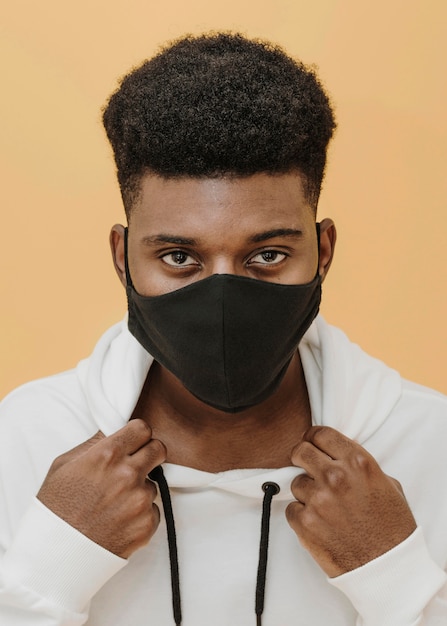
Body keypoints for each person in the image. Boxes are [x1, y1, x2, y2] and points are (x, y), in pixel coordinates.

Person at [0, 32, 446, 626]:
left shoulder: (430, 446)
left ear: (324, 248)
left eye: (266, 256)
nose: (224, 296)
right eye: (180, 257)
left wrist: (397, 582)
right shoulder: (25, 439)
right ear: (121, 255)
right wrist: (48, 572)